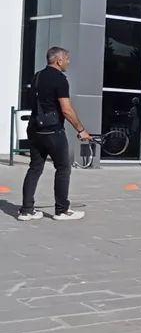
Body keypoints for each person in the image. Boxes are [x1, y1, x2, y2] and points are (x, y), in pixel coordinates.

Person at [19, 46, 92, 221]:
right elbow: (66, 110)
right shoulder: (60, 79)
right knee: (63, 168)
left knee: (35, 168)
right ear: (59, 61)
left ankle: (26, 210)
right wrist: (81, 130)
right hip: (53, 131)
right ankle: (61, 210)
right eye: (67, 59)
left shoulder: (37, 76)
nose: (68, 62)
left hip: (35, 129)